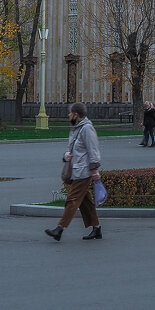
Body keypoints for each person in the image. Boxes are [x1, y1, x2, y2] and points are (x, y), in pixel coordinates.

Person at [45, 102, 101, 241]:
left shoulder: (87, 129)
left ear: (76, 114)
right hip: (77, 169)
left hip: (84, 171)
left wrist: (94, 169)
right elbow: (73, 148)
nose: (68, 115)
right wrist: (66, 156)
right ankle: (97, 228)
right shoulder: (77, 128)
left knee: (72, 200)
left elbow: (93, 150)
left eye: (70, 113)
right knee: (86, 202)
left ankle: (59, 229)